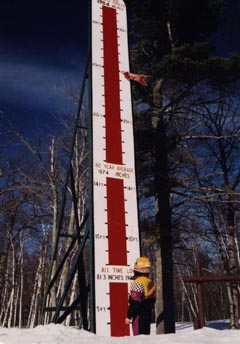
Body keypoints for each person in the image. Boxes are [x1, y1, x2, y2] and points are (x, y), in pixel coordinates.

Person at [125, 257, 156, 335]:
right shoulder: (151, 282)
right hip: (148, 315)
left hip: (138, 317)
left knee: (139, 339)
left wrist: (129, 316)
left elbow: (135, 303)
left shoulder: (138, 283)